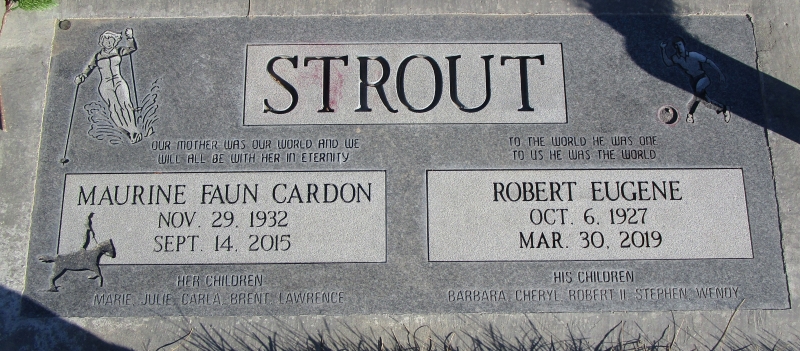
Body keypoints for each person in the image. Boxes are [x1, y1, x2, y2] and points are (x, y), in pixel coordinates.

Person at [75, 28, 142, 143]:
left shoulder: (119, 51)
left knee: (126, 104)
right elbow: (90, 67)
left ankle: (133, 129)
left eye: (111, 40)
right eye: (106, 40)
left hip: (118, 81)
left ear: (115, 41)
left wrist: (130, 37)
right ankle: (126, 131)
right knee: (114, 107)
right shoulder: (97, 56)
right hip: (105, 84)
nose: (108, 42)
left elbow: (131, 48)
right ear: (101, 42)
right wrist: (82, 76)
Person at [661, 36, 730, 123]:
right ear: (674, 47)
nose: (679, 47)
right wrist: (663, 49)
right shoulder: (676, 58)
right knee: (705, 101)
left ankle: (690, 114)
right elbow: (668, 63)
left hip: (703, 77)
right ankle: (723, 108)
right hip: (693, 81)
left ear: (684, 45)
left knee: (698, 92)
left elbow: (709, 61)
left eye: (680, 44)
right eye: (676, 45)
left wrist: (720, 74)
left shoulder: (694, 55)